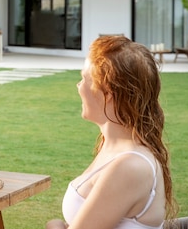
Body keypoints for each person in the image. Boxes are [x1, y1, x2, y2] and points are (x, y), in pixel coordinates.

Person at [46, 35, 177, 229]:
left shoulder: (130, 166)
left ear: (108, 94)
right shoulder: (112, 146)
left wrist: (55, 225)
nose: (79, 86)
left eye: (84, 79)